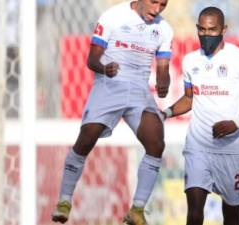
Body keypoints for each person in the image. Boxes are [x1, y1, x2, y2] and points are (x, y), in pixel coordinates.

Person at [51, 0, 173, 224]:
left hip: (139, 89)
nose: (157, 9)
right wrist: (104, 68)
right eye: (154, 2)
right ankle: (64, 200)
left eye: (163, 5)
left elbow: (163, 67)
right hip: (110, 84)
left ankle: (137, 210)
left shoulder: (164, 29)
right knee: (86, 139)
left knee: (156, 144)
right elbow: (92, 59)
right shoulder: (112, 16)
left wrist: (164, 82)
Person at [161, 7, 239, 225]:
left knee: (231, 218)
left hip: (232, 151)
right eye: (201, 30)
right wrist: (166, 113)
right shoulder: (191, 61)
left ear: (224, 30)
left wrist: (236, 123)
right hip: (198, 147)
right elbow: (189, 99)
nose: (206, 35)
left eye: (212, 30)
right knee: (194, 214)